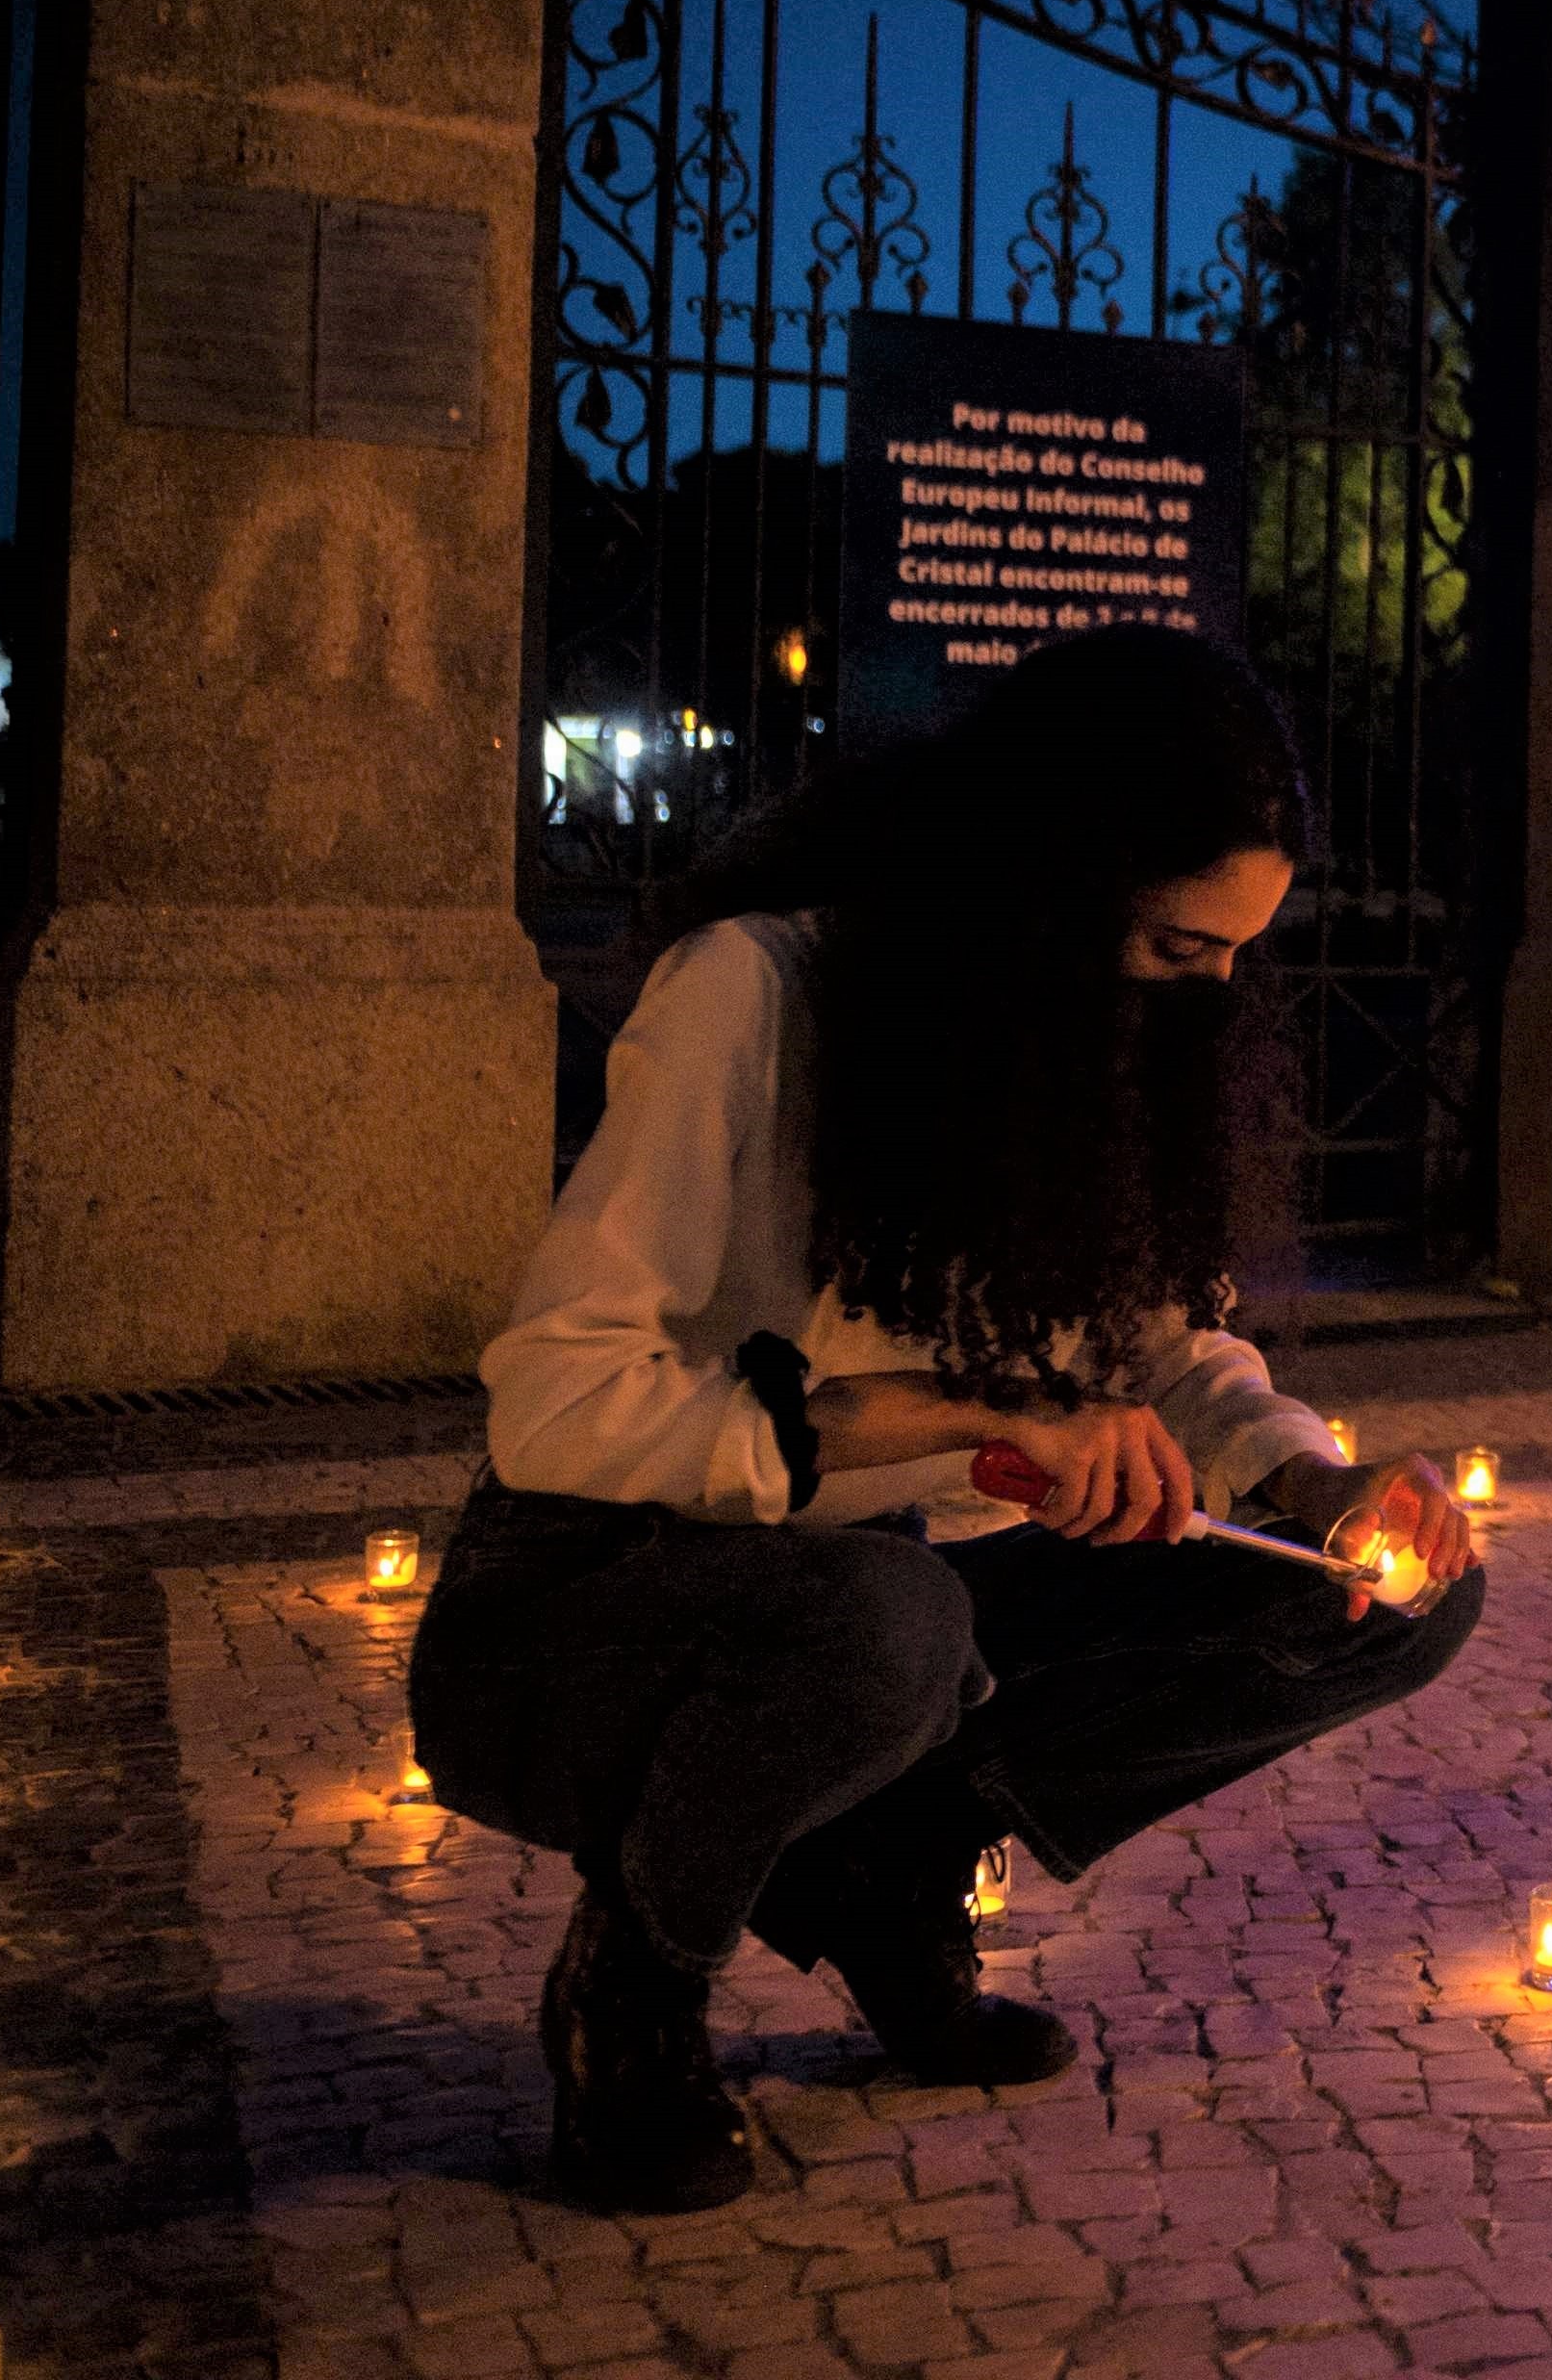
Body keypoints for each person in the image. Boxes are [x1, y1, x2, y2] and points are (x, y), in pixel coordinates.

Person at [409, 627, 1485, 2213]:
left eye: (1241, 953)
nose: (1216, 995)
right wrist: (938, 1412)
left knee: (1374, 1602)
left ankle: (889, 1863)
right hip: (592, 1605)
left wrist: (1318, 1488)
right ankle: (629, 1989)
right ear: (1048, 886)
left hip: (882, 1588)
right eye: (1183, 947)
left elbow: (1171, 1353)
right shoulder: (756, 993)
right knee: (891, 1617)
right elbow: (558, 1405)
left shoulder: (1084, 1043)